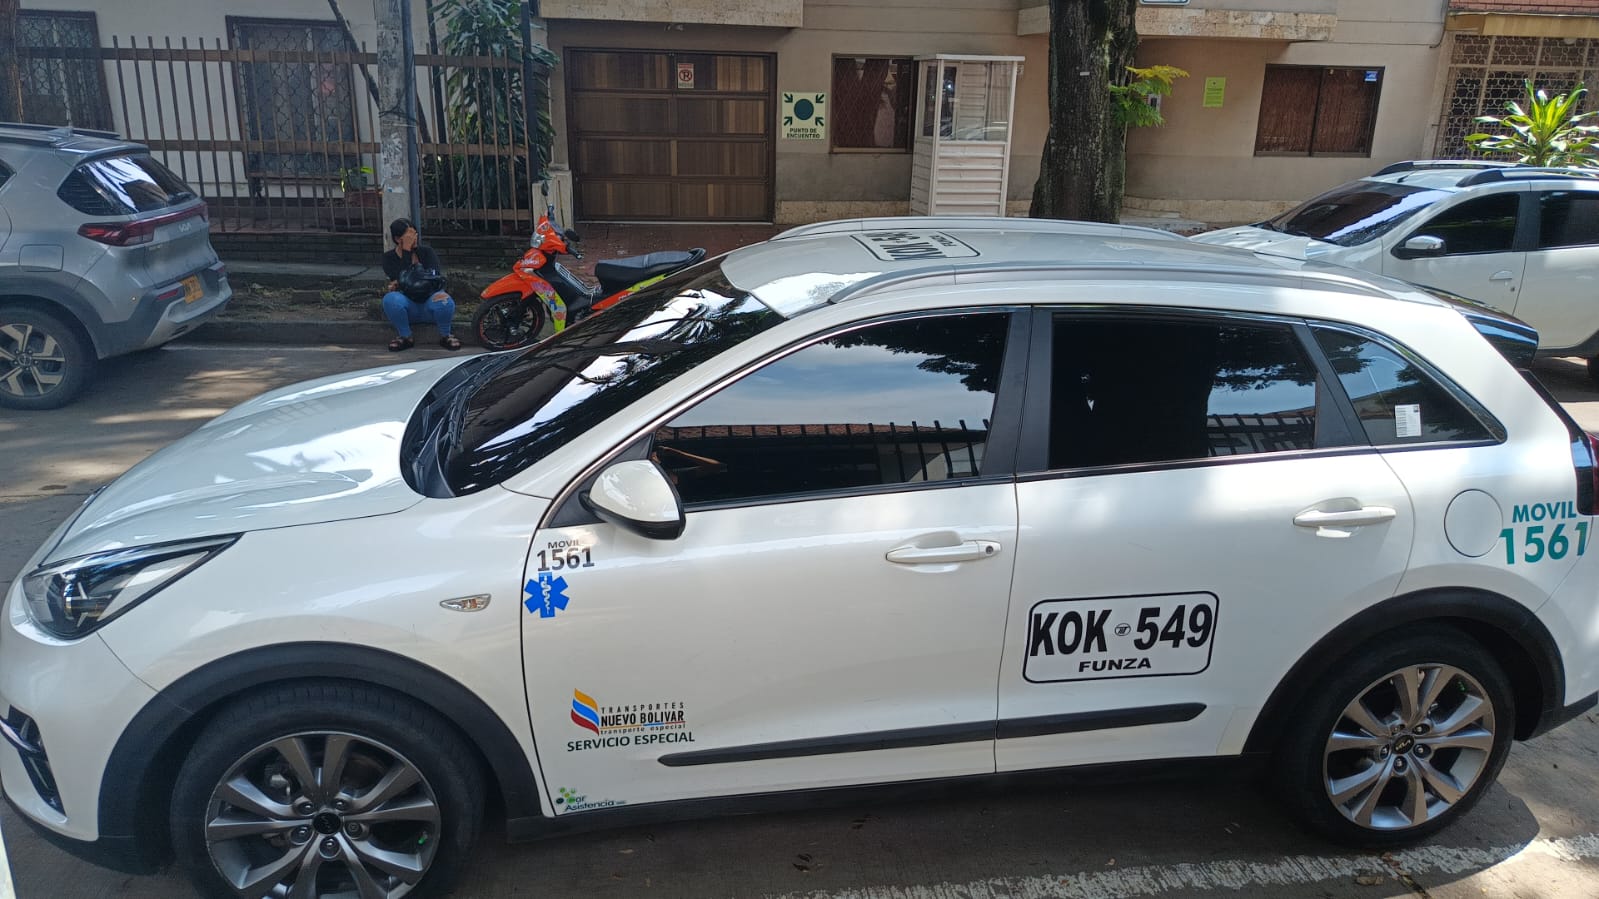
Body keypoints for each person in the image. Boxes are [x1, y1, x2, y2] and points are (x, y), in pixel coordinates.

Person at [381, 219, 461, 351]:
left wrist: (405, 281)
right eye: (410, 236)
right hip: (407, 305)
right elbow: (402, 278)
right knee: (390, 299)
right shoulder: (388, 258)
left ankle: (446, 335)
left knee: (444, 299)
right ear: (398, 239)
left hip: (430, 301)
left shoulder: (427, 252)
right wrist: (406, 252)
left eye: (415, 234)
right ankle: (405, 336)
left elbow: (434, 277)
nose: (414, 238)